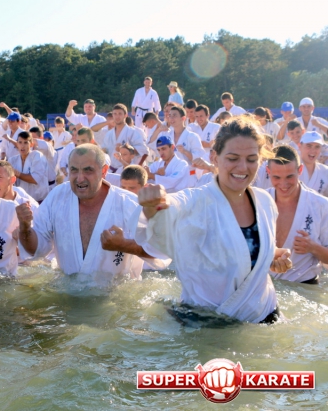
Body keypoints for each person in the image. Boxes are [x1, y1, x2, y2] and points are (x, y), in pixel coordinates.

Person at [135, 116, 293, 323]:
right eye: (233, 158)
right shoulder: (195, 201)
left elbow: (248, 249)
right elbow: (169, 208)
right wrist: (152, 205)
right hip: (209, 324)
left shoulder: (265, 201)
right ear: (215, 157)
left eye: (251, 159)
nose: (243, 167)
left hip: (265, 315)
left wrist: (272, 256)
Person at [17, 144, 164, 279]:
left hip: (117, 295)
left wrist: (124, 245)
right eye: (74, 170)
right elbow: (36, 251)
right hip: (68, 292)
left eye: (88, 170)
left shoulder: (129, 203)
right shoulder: (57, 197)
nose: (80, 178)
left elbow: (161, 252)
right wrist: (25, 228)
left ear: (104, 171)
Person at [266, 144, 328, 284]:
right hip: (264, 285)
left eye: (289, 177)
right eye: (277, 177)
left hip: (304, 285)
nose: (283, 184)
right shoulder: (259, 201)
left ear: (300, 170)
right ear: (268, 171)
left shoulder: (321, 205)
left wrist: (313, 248)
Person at [148, 105, 206, 187]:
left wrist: (185, 152)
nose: (171, 118)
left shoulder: (192, 136)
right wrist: (158, 130)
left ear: (183, 118)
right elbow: (151, 144)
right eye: (170, 116)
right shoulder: (166, 134)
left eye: (174, 115)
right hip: (168, 174)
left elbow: (200, 159)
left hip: (187, 176)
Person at [8, 131, 49, 203]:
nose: (22, 146)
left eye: (25, 142)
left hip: (39, 201)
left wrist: (18, 174)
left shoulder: (37, 156)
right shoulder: (12, 160)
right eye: (20, 142)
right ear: (17, 144)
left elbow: (35, 179)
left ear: (31, 144)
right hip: (20, 201)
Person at [298, 131, 328, 197]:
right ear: (300, 146)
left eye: (317, 147)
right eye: (309, 146)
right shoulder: (289, 168)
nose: (313, 151)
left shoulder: (325, 171)